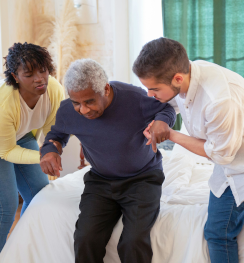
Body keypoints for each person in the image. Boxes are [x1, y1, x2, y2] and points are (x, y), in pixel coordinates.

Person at [133, 37, 244, 263]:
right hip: (231, 164)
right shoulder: (187, 75)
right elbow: (170, 104)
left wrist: (171, 134)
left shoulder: (219, 100)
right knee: (217, 234)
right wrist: (161, 120)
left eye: (154, 89)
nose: (150, 94)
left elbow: (219, 154)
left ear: (178, 78)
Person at [39, 59, 176, 263]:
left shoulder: (134, 98)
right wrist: (49, 151)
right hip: (101, 181)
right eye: (77, 102)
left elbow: (167, 109)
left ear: (105, 89)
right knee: (85, 238)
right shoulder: (68, 110)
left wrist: (162, 122)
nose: (83, 110)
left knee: (133, 241)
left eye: (89, 102)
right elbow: (56, 135)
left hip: (142, 179)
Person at [0, 42, 64, 252]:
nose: (39, 78)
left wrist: (51, 151)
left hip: (21, 134)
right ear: (15, 76)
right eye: (29, 74)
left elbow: (53, 132)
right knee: (6, 208)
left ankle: (22, 249)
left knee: (39, 195)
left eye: (43, 70)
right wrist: (43, 157)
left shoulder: (53, 89)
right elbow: (7, 151)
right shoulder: (6, 102)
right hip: (2, 145)